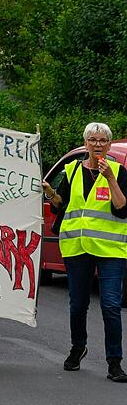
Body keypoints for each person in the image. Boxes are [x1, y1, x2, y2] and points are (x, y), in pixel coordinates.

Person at [43, 122, 127, 382]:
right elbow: (62, 206)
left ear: (109, 144)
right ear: (86, 144)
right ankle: (78, 348)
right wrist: (51, 193)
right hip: (77, 248)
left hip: (110, 248)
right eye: (93, 140)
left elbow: (122, 208)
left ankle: (114, 362)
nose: (98, 145)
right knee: (78, 305)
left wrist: (111, 179)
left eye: (103, 140)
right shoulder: (73, 170)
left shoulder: (119, 171)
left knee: (111, 306)